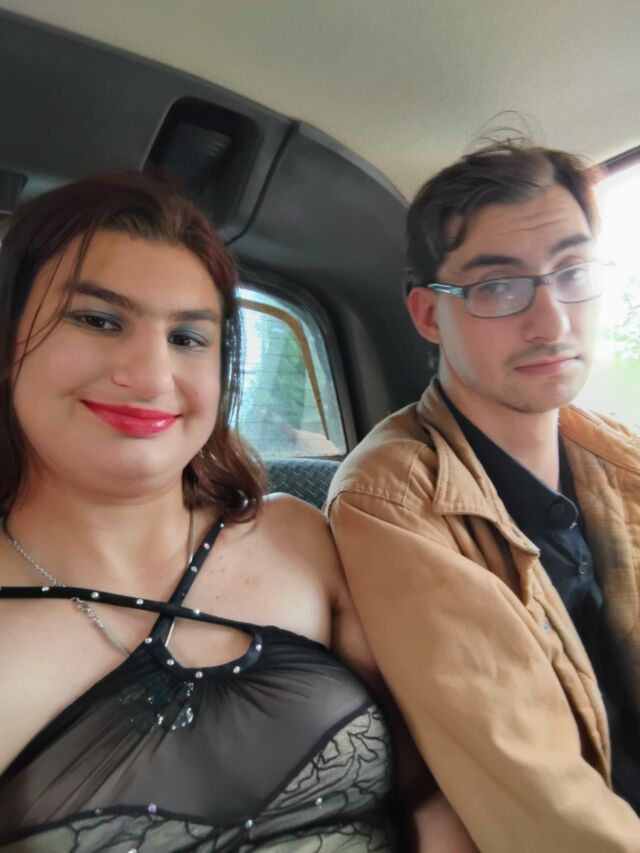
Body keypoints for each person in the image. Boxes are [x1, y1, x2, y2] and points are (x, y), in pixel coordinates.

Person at [0, 173, 474, 851]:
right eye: (99, 321)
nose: (152, 376)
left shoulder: (298, 537)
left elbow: (436, 793)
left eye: (188, 338)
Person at [327, 141, 640, 852]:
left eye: (573, 273)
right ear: (428, 315)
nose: (553, 322)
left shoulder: (620, 456)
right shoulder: (391, 500)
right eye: (497, 286)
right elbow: (543, 804)